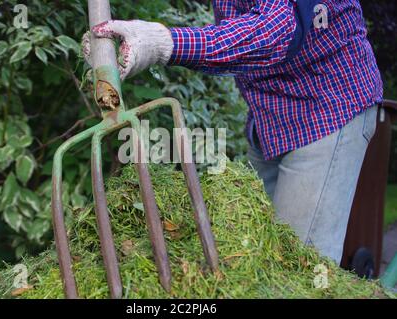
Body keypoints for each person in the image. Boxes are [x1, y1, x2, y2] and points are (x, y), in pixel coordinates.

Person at [86, 0, 383, 264]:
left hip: (326, 108)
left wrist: (163, 43)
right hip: (271, 117)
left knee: (298, 265)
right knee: (251, 249)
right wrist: (113, 40)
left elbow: (272, 30)